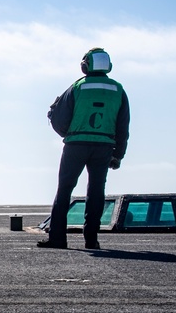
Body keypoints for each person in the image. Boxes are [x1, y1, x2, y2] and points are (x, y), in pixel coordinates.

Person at [39, 48, 130, 250]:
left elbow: (59, 116)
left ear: (85, 66)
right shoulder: (118, 90)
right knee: (96, 191)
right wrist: (118, 155)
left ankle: (57, 239)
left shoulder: (78, 86)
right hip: (104, 146)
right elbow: (123, 127)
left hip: (76, 144)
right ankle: (91, 239)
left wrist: (69, 134)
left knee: (64, 189)